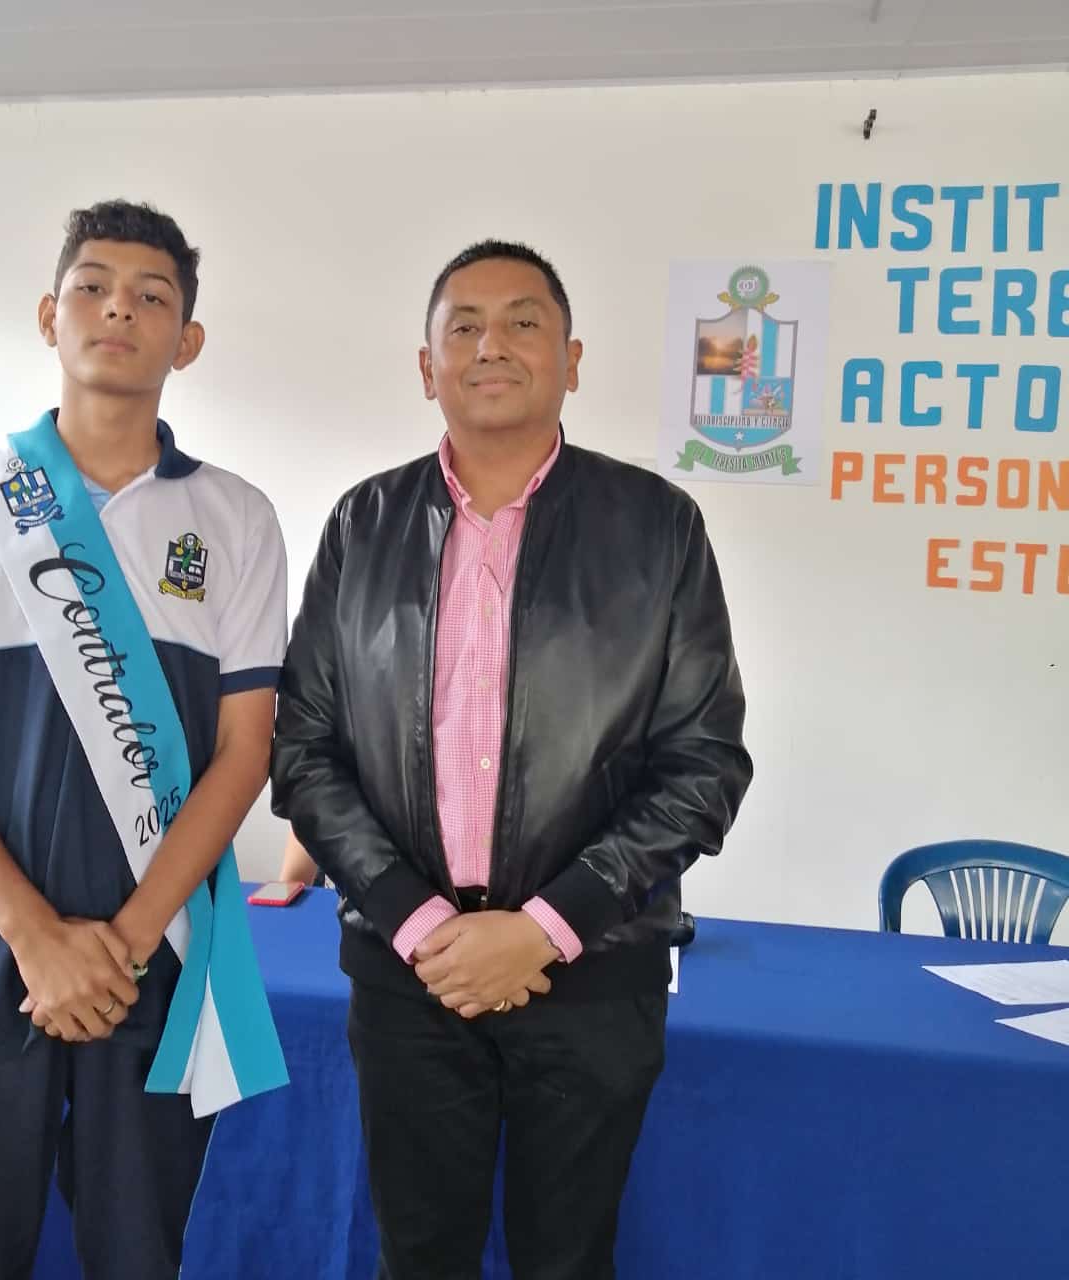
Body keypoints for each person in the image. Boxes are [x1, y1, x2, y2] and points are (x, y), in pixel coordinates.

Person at [271, 240, 752, 1279]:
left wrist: (544, 927)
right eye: (465, 325)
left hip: (592, 972)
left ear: (571, 359)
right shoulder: (362, 525)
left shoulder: (657, 527)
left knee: (566, 1260)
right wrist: (418, 922)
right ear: (427, 365)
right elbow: (304, 749)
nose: (492, 344)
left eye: (523, 322)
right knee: (418, 1256)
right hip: (407, 976)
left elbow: (704, 764)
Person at [0, 199, 287, 1278]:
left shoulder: (234, 518)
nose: (119, 310)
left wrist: (127, 940)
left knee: (142, 1253)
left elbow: (246, 750)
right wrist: (35, 934)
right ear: (51, 315)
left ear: (187, 340)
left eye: (152, 296)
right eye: (93, 287)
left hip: (157, 967)